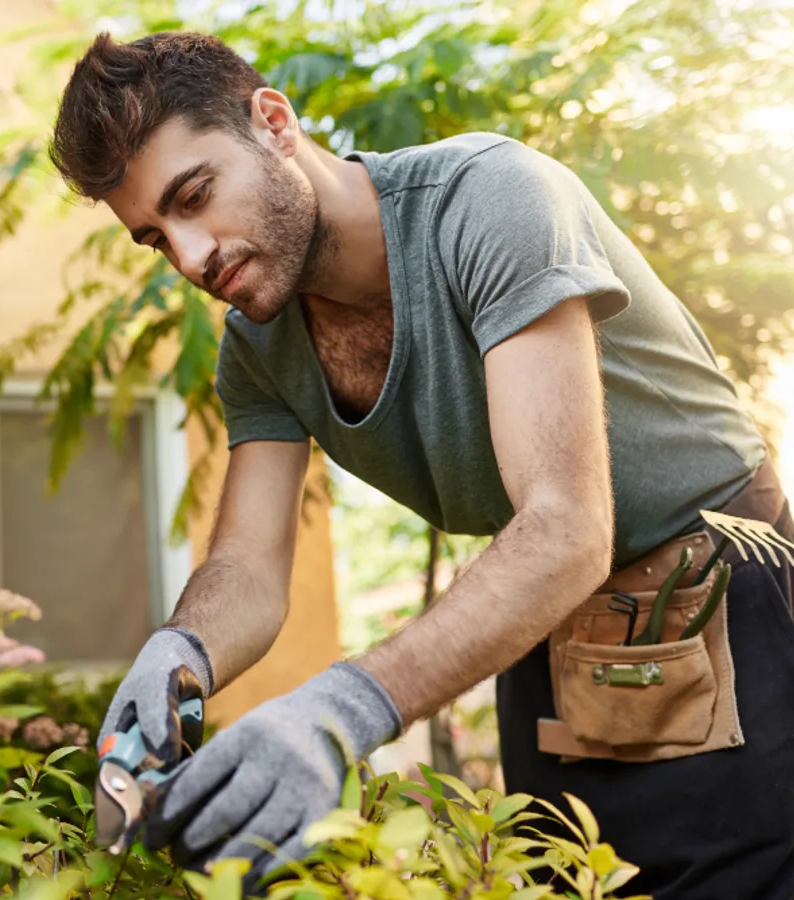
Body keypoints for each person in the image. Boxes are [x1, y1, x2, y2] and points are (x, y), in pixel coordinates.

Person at [48, 30, 794, 899]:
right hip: (538, 623)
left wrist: (339, 708)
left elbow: (566, 526)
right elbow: (248, 567)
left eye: (196, 196)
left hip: (722, 598)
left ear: (275, 123)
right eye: (154, 238)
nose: (190, 257)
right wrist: (179, 653)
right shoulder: (257, 347)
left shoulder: (489, 199)